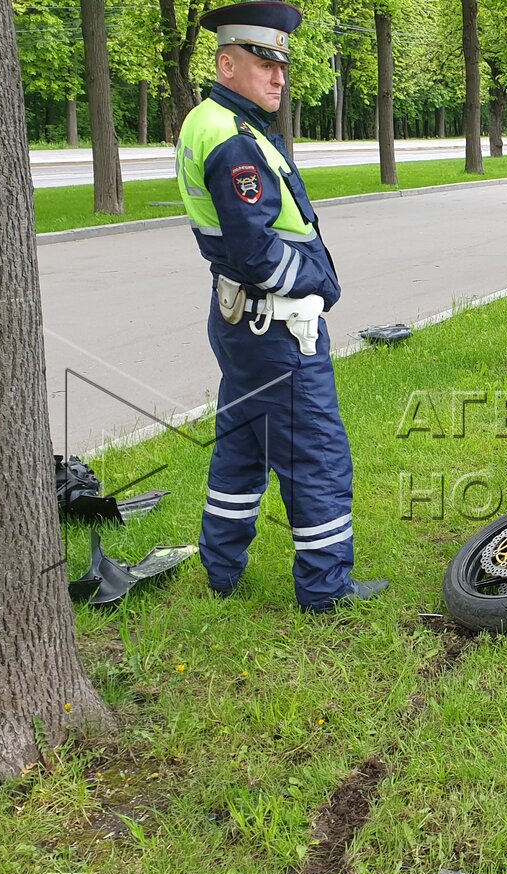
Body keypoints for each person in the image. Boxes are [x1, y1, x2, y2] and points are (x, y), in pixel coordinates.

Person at [175, 0, 386, 613]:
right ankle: (325, 589)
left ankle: (220, 567)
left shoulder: (210, 122)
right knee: (316, 452)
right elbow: (256, 250)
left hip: (241, 322)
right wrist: (318, 285)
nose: (278, 76)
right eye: (264, 63)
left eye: (281, 65)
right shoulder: (233, 141)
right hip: (278, 325)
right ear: (226, 63)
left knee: (241, 445)